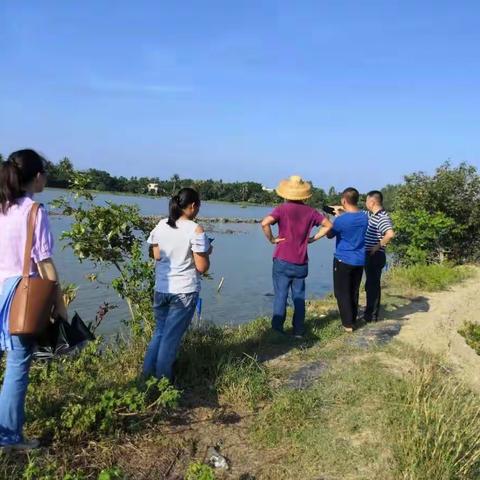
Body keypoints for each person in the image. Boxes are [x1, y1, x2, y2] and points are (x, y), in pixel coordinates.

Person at [0, 149, 67, 450]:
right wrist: (60, 302)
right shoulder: (33, 211)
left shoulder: (2, 207)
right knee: (17, 365)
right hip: (19, 294)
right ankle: (9, 437)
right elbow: (44, 263)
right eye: (45, 173)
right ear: (37, 176)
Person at [143, 187, 212, 381]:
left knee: (159, 334)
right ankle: (163, 385)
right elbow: (202, 267)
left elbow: (156, 255)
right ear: (192, 206)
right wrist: (206, 251)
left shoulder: (161, 224)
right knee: (170, 340)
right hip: (184, 292)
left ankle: (145, 380)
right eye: (198, 206)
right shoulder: (195, 229)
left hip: (161, 289)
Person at [261, 175, 332, 337]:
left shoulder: (281, 209)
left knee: (280, 295)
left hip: (282, 259)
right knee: (299, 297)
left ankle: (277, 331)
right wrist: (312, 239)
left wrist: (272, 239)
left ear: (286, 193)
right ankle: (298, 330)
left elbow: (265, 223)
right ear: (303, 195)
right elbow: (328, 225)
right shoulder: (311, 212)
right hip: (301, 261)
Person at [327, 188, 368, 332]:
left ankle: (347, 324)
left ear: (344, 200)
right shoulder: (364, 217)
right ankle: (353, 319)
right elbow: (353, 221)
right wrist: (341, 214)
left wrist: (336, 217)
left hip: (343, 259)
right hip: (360, 259)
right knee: (353, 290)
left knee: (341, 292)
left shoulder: (341, 220)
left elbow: (329, 235)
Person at [364, 190, 395, 322]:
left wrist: (377, 247)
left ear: (372, 202)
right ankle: (370, 313)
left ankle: (372, 316)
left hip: (375, 255)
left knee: (373, 285)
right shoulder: (372, 215)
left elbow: (390, 234)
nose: (365, 203)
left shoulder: (382, 217)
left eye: (366, 201)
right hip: (371, 255)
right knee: (370, 285)